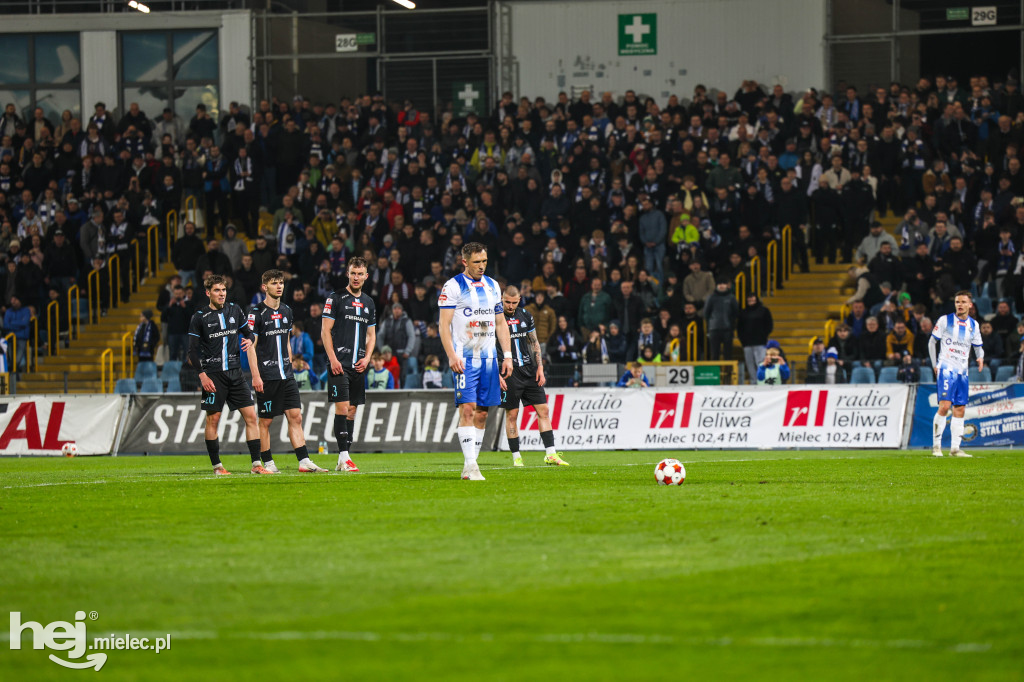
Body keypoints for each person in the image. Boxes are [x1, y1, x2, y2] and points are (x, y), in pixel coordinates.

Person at [438, 242, 513, 481]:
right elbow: (443, 325)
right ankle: (471, 466)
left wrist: (508, 355)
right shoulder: (452, 286)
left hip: (490, 360)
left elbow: (500, 323)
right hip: (465, 359)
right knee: (468, 409)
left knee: (482, 413)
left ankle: (471, 464)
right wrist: (452, 355)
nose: (481, 266)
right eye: (477, 262)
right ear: (465, 262)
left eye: (484, 262)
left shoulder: (493, 286)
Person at [242, 269, 327, 474]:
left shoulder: (288, 310)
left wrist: (290, 363)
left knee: (296, 416)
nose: (279, 286)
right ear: (265, 287)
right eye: (274, 283)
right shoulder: (256, 313)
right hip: (267, 375)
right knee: (266, 421)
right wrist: (255, 375)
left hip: (286, 374)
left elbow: (287, 341)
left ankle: (304, 460)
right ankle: (268, 463)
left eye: (281, 283)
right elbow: (251, 346)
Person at [187, 275, 267, 475]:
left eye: (223, 290)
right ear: (208, 293)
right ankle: (217, 466)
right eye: (217, 290)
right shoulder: (199, 317)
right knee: (213, 420)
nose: (221, 294)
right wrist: (202, 376)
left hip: (236, 374)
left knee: (251, 416)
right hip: (213, 375)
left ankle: (257, 465)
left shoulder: (235, 310)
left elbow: (249, 333)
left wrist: (250, 340)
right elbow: (191, 352)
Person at [498, 286, 569, 468]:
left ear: (520, 299)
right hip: (508, 372)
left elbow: (534, 341)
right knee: (512, 414)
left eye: (514, 302)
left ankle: (551, 454)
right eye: (507, 302)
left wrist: (540, 367)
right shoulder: (495, 317)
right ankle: (516, 457)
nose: (511, 306)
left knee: (543, 410)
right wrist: (496, 374)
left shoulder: (526, 315)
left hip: (529, 370)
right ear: (501, 298)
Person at [322, 257, 376, 473]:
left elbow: (371, 335)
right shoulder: (335, 298)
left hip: (358, 365)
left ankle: (343, 457)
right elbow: (325, 331)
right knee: (342, 408)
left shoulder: (369, 302)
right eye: (353, 273)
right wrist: (333, 359)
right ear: (347, 274)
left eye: (360, 274)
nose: (356, 277)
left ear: (366, 276)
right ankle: (345, 457)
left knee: (352, 411)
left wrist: (368, 357)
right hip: (339, 364)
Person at [929, 290, 984, 457]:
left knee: (959, 409)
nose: (959, 305)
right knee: (945, 406)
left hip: (962, 372)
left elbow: (978, 346)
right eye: (957, 302)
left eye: (963, 302)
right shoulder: (945, 320)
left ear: (970, 305)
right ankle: (937, 447)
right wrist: (934, 365)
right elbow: (932, 342)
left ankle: (955, 449)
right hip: (946, 368)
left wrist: (980, 358)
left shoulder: (974, 325)